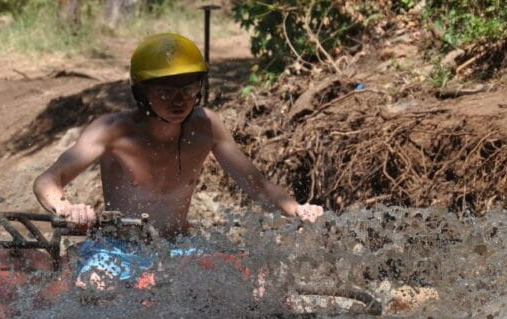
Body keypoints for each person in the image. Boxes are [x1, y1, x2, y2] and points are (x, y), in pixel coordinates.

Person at [34, 32, 322, 288]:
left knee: (255, 285)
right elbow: (48, 179)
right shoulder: (112, 130)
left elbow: (257, 185)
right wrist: (64, 207)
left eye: (188, 89)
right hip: (118, 247)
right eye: (165, 91)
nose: (179, 100)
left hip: (181, 245)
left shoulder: (207, 126)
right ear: (142, 91)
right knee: (94, 290)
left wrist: (296, 209)